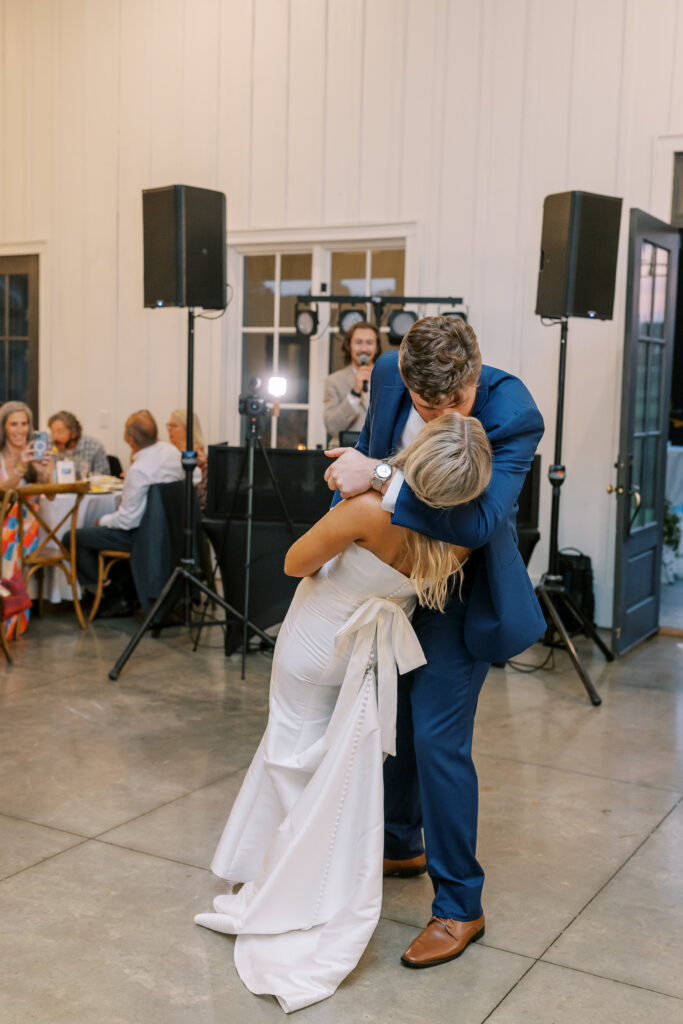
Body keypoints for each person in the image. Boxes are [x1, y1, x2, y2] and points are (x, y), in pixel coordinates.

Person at [195, 411, 493, 1011]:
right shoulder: (460, 537)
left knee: (288, 750)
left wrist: (363, 491)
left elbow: (295, 563)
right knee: (322, 757)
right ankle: (301, 867)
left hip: (317, 638)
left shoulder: (368, 512)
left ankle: (283, 881)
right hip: (364, 651)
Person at [323, 315, 546, 969]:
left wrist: (379, 481)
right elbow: (370, 452)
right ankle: (400, 841)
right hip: (390, 579)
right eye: (430, 406)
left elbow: (478, 520)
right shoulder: (390, 374)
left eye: (457, 401)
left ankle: (459, 906)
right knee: (389, 717)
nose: (444, 414)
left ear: (475, 370)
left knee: (437, 740)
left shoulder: (514, 411)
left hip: (461, 591)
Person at [67, 410, 183, 616]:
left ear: (130, 439)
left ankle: (112, 595)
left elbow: (128, 521)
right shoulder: (170, 452)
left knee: (73, 537)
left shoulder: (139, 470)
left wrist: (101, 520)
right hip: (169, 532)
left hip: (142, 536)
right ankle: (126, 588)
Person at [0, 401, 50, 639]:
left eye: (24, 424)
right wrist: (19, 468)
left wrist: (42, 471)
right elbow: (3, 494)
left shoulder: (35, 457)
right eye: (13, 424)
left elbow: (50, 494)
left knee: (7, 537)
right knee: (7, 534)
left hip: (27, 528)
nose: (20, 430)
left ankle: (8, 621)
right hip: (7, 528)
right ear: (4, 427)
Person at [323, 320, 382, 446]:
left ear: (376, 347)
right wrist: (355, 393)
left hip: (379, 457)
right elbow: (332, 427)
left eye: (369, 343)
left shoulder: (388, 378)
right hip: (345, 456)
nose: (364, 349)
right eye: (358, 342)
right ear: (349, 346)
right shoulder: (334, 381)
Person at [166, 409, 208, 511]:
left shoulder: (197, 457)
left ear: (188, 429)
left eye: (174, 426)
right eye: (168, 425)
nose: (169, 430)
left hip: (191, 509)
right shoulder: (172, 453)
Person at [47, 410, 109, 476]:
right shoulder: (49, 446)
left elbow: (103, 478)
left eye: (59, 432)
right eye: (52, 432)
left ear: (73, 433)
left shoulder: (94, 447)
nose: (54, 437)